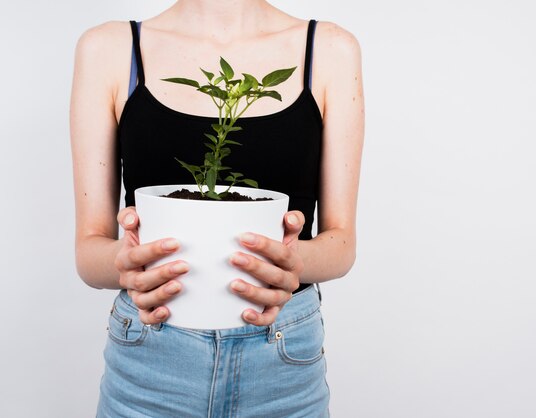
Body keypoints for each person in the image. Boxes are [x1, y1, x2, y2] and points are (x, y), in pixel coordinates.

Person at [70, 0, 364, 416]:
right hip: (151, 356)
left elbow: (342, 242)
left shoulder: (330, 49)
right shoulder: (110, 48)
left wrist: (290, 261)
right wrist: (128, 260)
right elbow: (89, 251)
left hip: (282, 358)